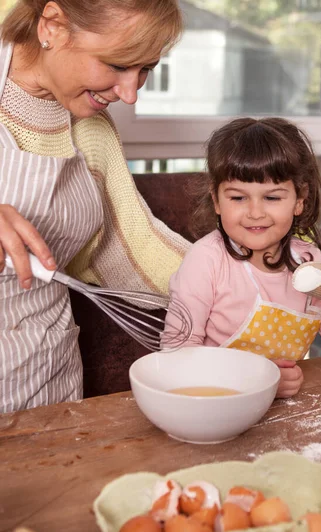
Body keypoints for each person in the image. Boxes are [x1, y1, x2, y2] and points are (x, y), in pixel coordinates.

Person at [0, 0, 190, 412]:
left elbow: (133, 249)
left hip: (46, 378)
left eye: (145, 70)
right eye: (117, 64)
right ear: (52, 26)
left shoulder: (91, 129)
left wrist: (265, 284)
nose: (130, 93)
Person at [165, 117, 321, 398]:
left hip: (287, 407)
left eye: (272, 198)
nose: (255, 212)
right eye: (238, 198)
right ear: (216, 199)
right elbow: (176, 354)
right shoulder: (206, 260)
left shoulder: (307, 260)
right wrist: (257, 381)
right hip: (215, 404)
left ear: (299, 199)